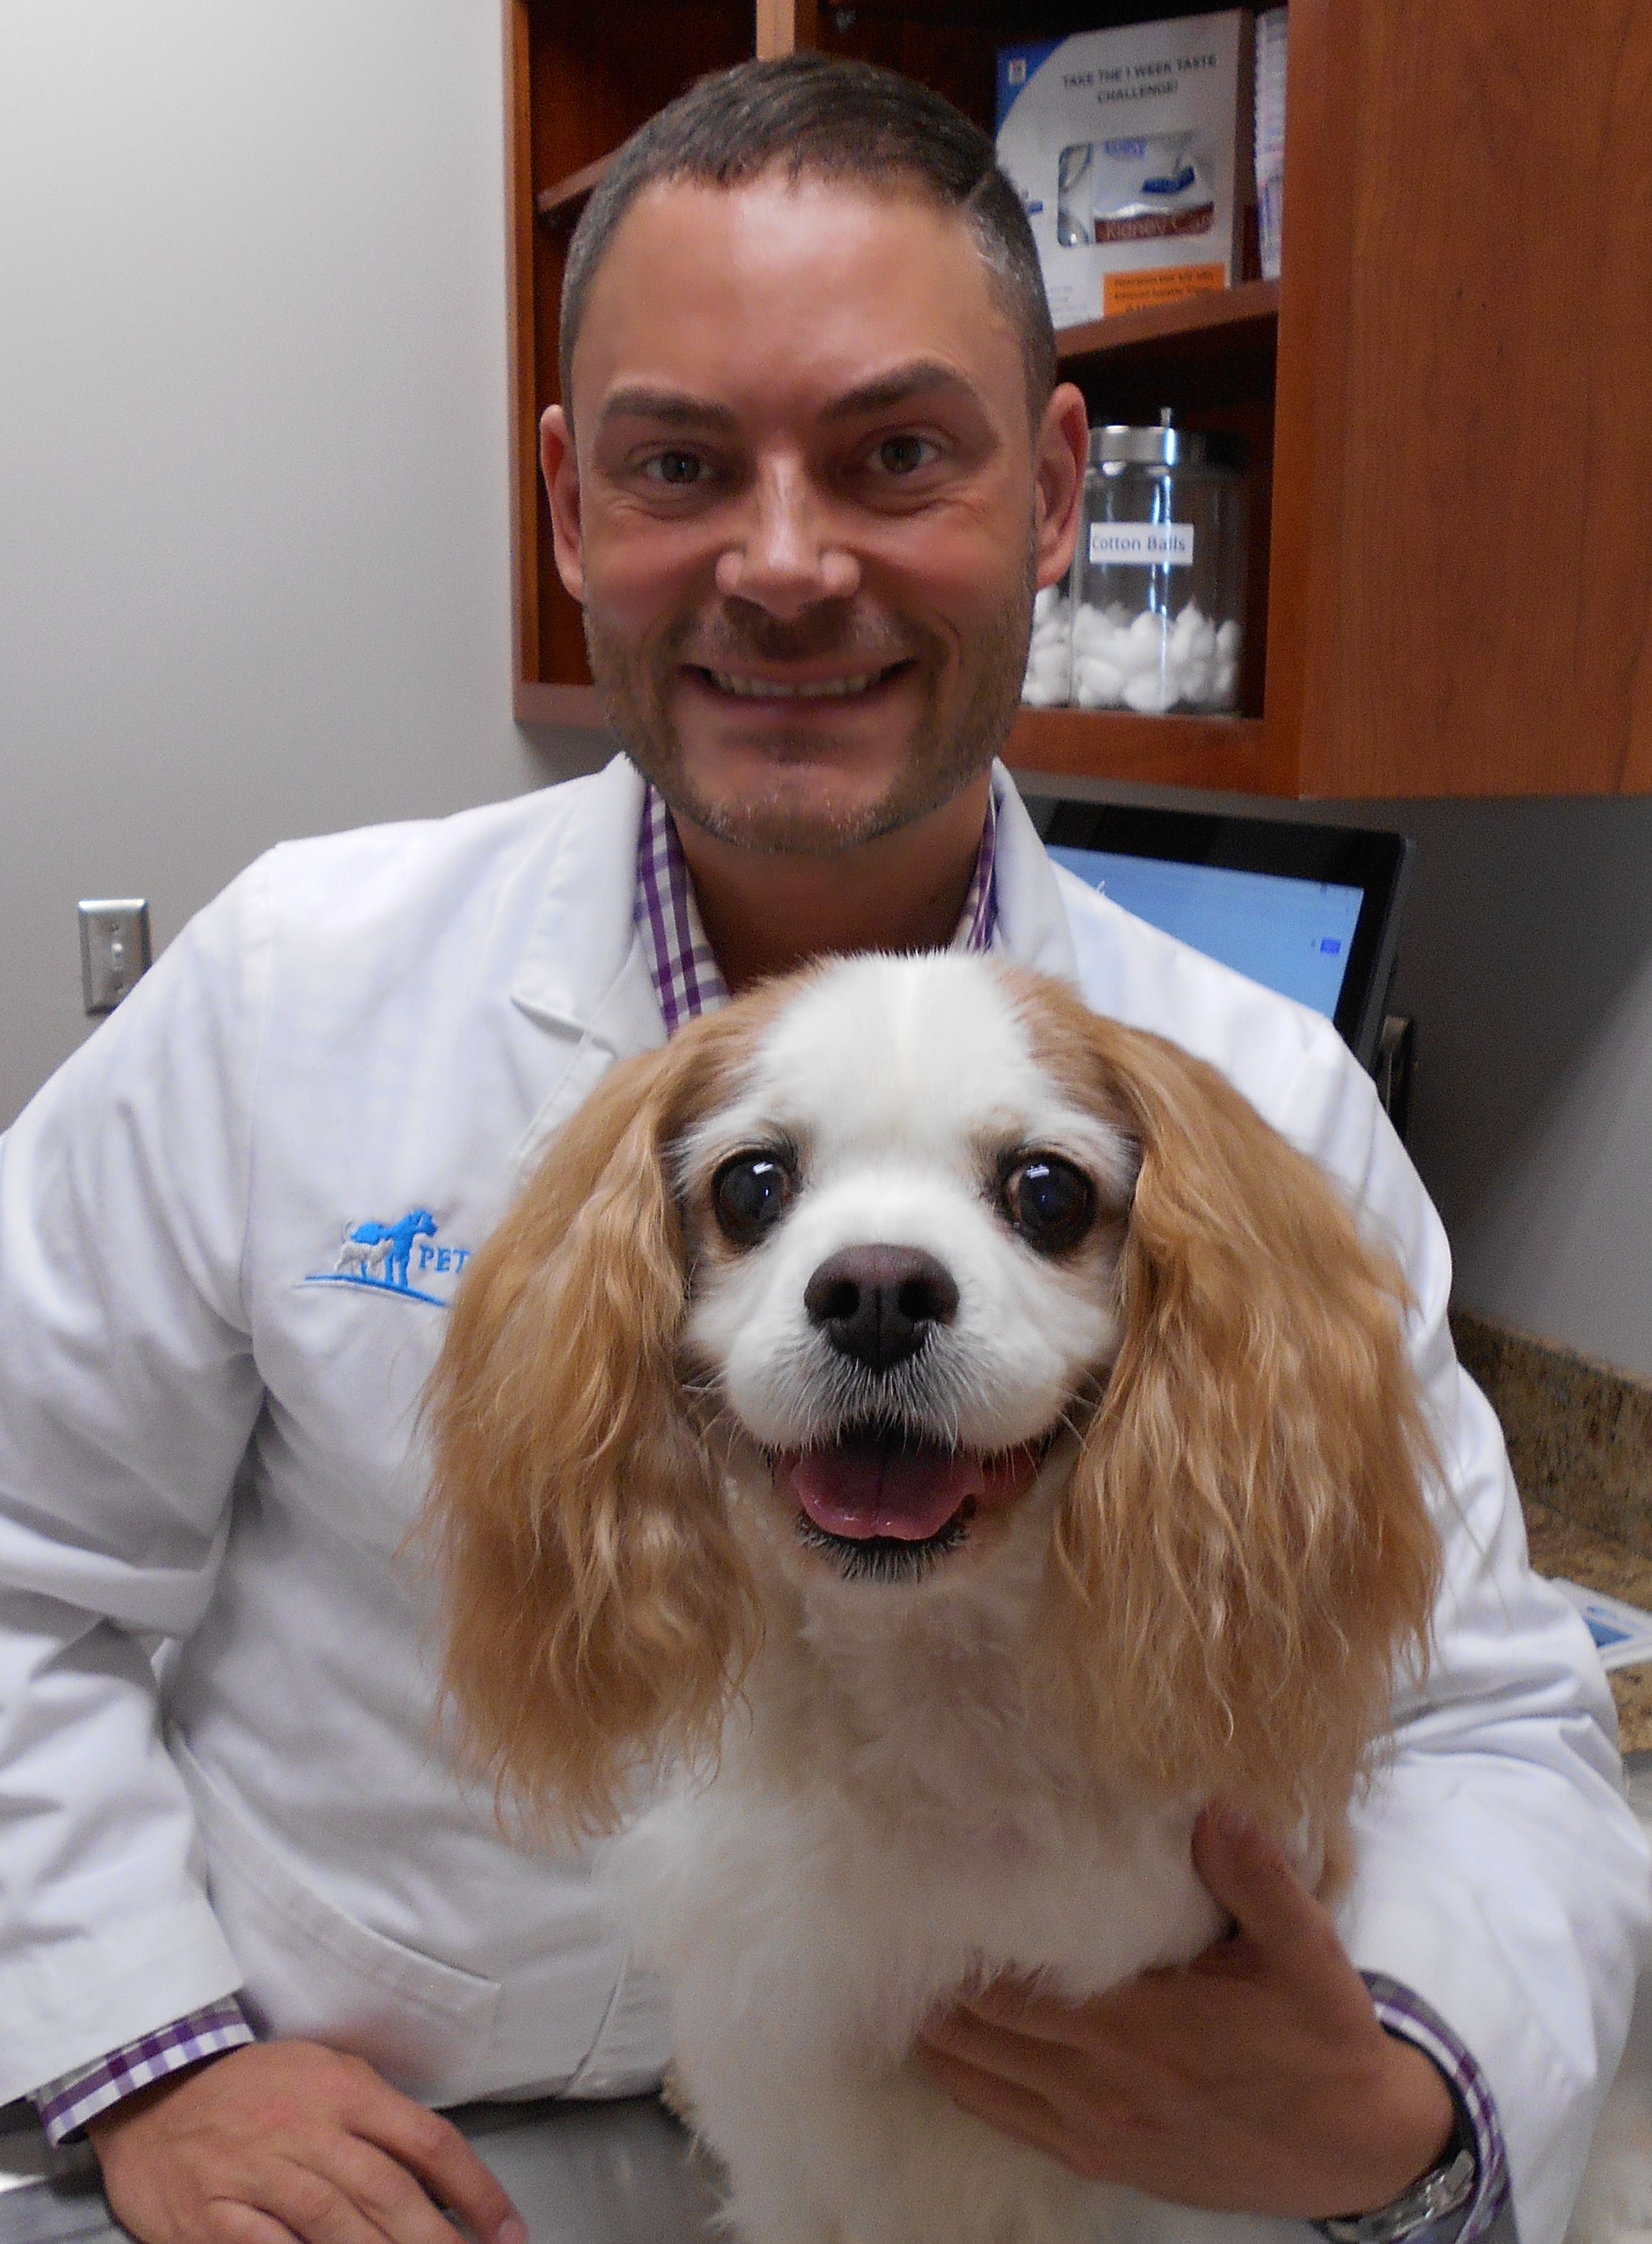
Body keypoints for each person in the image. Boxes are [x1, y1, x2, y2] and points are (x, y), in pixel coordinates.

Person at [0, 52, 1643, 2244]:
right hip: (376, 2157)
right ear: (574, 503)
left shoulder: (1259, 1100)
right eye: (687, 464)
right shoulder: (292, 982)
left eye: (893, 454)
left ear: (1053, 496)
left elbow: (1491, 1719)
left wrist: (1398, 2102)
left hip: (1026, 2174)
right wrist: (154, 2054)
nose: (785, 567)